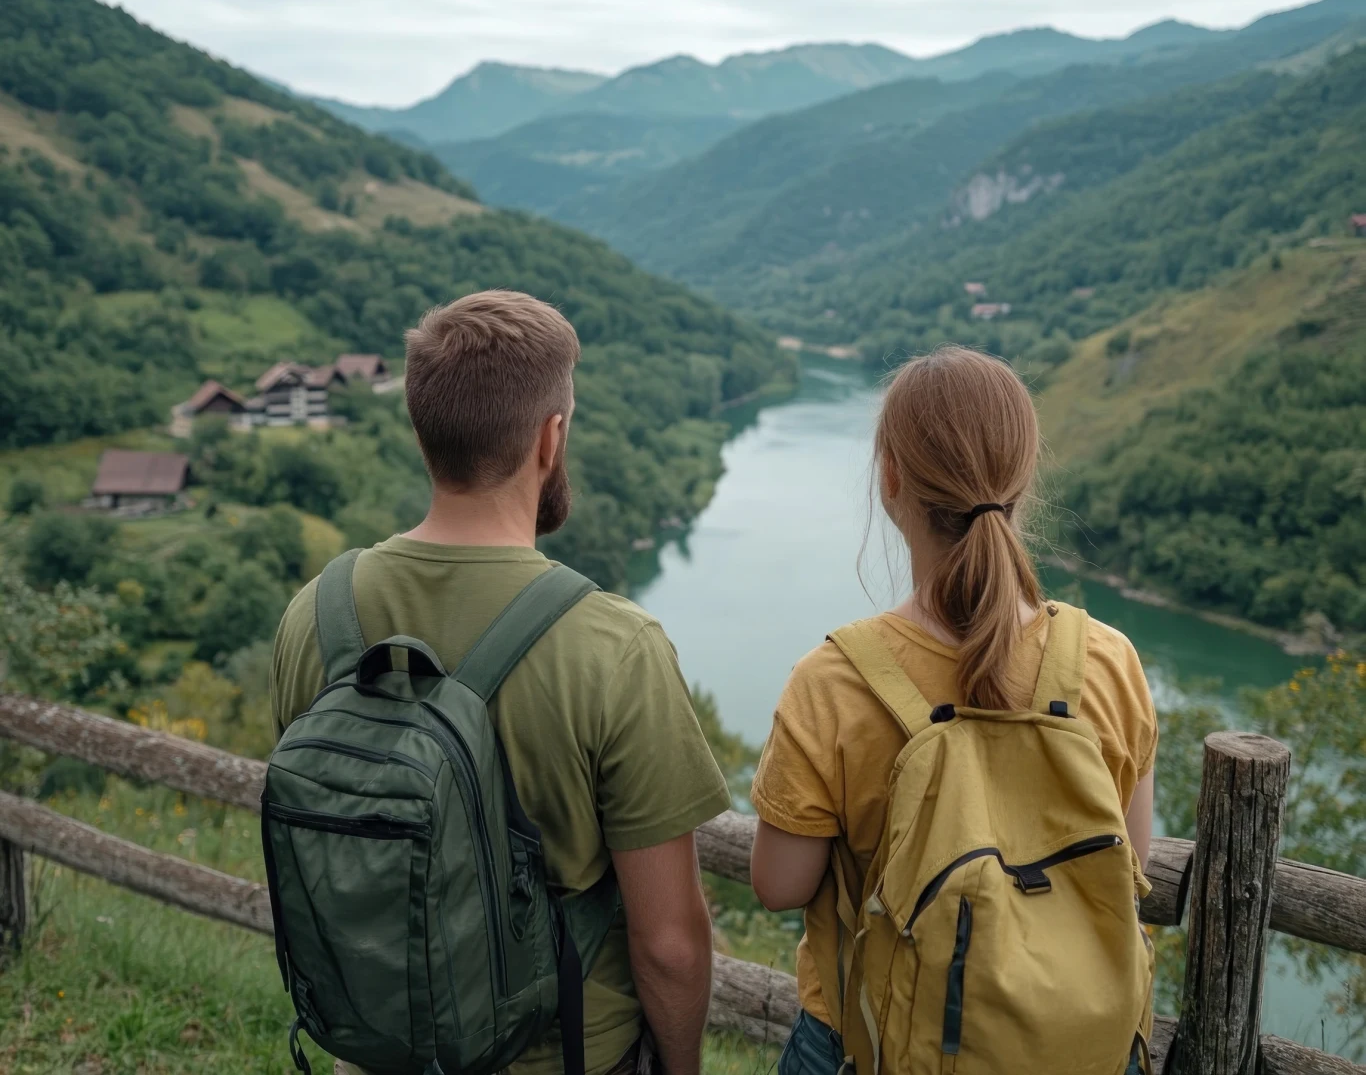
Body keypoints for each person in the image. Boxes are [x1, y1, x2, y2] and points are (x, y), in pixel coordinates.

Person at [270, 290, 730, 1075]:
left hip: (378, 1054)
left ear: (422, 431)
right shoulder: (614, 646)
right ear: (552, 436)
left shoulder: (315, 613)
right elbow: (669, 945)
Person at [748, 345, 1158, 1074]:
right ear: (1023, 480)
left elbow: (780, 885)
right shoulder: (1108, 660)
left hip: (869, 1044)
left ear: (891, 478)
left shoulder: (834, 680)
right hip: (1079, 1049)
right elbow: (1132, 858)